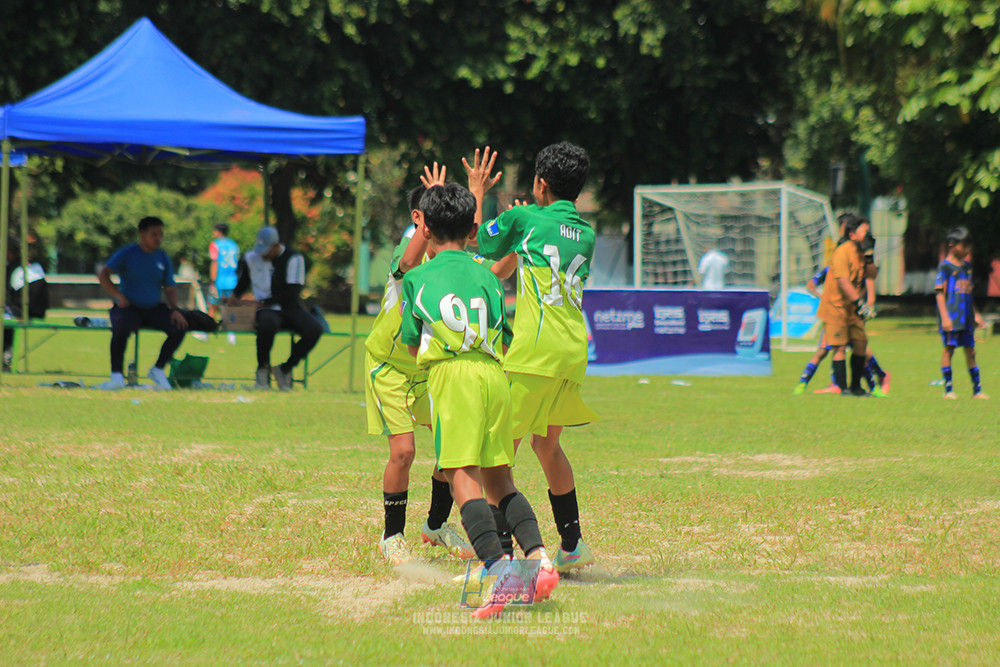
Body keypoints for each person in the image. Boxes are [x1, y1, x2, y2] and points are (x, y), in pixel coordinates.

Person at [399, 182, 558, 618]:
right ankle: (539, 557)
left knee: (461, 477)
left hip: (455, 376)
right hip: (494, 374)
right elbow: (501, 336)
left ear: (425, 228)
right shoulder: (488, 276)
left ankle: (498, 570)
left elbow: (413, 346)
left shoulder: (416, 278)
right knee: (500, 479)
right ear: (473, 231)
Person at [466, 143, 598, 573]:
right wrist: (523, 231)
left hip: (533, 354)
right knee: (548, 445)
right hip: (573, 351)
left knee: (494, 459)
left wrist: (477, 190)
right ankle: (573, 543)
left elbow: (473, 238)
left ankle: (503, 558)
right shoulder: (588, 233)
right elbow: (525, 255)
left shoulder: (525, 219)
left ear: (540, 183)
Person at [366, 165, 475, 565]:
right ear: (420, 221)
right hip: (390, 367)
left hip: (428, 370)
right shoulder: (405, 253)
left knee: (453, 448)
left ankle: (435, 524)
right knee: (404, 451)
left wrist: (474, 191)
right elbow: (409, 263)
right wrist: (427, 213)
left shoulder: (451, 259)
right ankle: (391, 537)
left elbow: (476, 244)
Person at [97, 216, 189, 390]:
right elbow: (104, 274)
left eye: (161, 234)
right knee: (120, 328)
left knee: (180, 326)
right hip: (130, 307)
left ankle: (158, 369)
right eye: (154, 234)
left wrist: (175, 309)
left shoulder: (163, 258)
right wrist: (118, 296)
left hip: (153, 307)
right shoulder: (127, 254)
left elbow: (170, 287)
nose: (158, 238)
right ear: (142, 235)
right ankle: (116, 376)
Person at [229, 226, 322, 391]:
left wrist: (263, 302)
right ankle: (262, 370)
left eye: (266, 250)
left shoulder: (294, 258)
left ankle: (285, 368)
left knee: (314, 329)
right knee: (267, 324)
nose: (263, 254)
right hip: (266, 310)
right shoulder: (251, 258)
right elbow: (243, 283)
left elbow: (292, 292)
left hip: (289, 306)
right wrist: (234, 297)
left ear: (276, 246)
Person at [815, 214, 873, 397]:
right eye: (864, 230)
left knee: (861, 343)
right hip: (836, 307)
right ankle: (842, 388)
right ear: (852, 234)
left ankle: (856, 386)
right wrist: (859, 303)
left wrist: (871, 255)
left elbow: (872, 275)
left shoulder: (862, 252)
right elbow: (843, 282)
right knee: (839, 347)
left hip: (852, 308)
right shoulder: (842, 252)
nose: (868, 233)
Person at [935, 226, 988, 400]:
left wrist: (976, 314)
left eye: (968, 246)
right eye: (963, 246)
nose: (967, 250)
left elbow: (969, 294)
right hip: (951, 317)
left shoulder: (966, 267)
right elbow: (939, 293)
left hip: (966, 319)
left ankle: (977, 390)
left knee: (971, 351)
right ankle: (948, 390)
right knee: (949, 350)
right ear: (952, 245)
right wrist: (944, 317)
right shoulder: (945, 267)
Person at [208, 223, 240, 345]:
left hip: (220, 281)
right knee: (230, 307)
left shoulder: (215, 244)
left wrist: (212, 281)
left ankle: (206, 331)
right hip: (232, 280)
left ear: (218, 232)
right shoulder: (234, 245)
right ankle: (231, 334)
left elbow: (215, 263)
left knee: (212, 306)